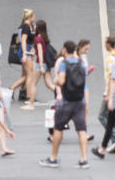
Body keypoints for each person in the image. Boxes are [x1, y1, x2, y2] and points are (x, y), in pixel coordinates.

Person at [40, 40, 90, 169]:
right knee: (82, 130)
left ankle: (54, 158)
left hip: (67, 101)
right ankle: (84, 159)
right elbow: (84, 79)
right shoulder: (81, 64)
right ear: (74, 50)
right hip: (80, 101)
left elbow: (61, 80)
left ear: (64, 50)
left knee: (58, 128)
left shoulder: (63, 64)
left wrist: (56, 80)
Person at [96, 35, 115, 153]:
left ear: (109, 44)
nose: (104, 44)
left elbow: (111, 79)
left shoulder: (110, 59)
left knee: (102, 116)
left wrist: (108, 95)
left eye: (105, 42)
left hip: (111, 92)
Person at [10, 9, 36, 100]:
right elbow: (23, 40)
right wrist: (25, 53)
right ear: (29, 16)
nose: (34, 17)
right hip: (25, 49)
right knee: (30, 74)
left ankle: (21, 92)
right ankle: (28, 96)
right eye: (33, 15)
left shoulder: (25, 26)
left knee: (25, 74)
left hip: (26, 49)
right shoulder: (25, 26)